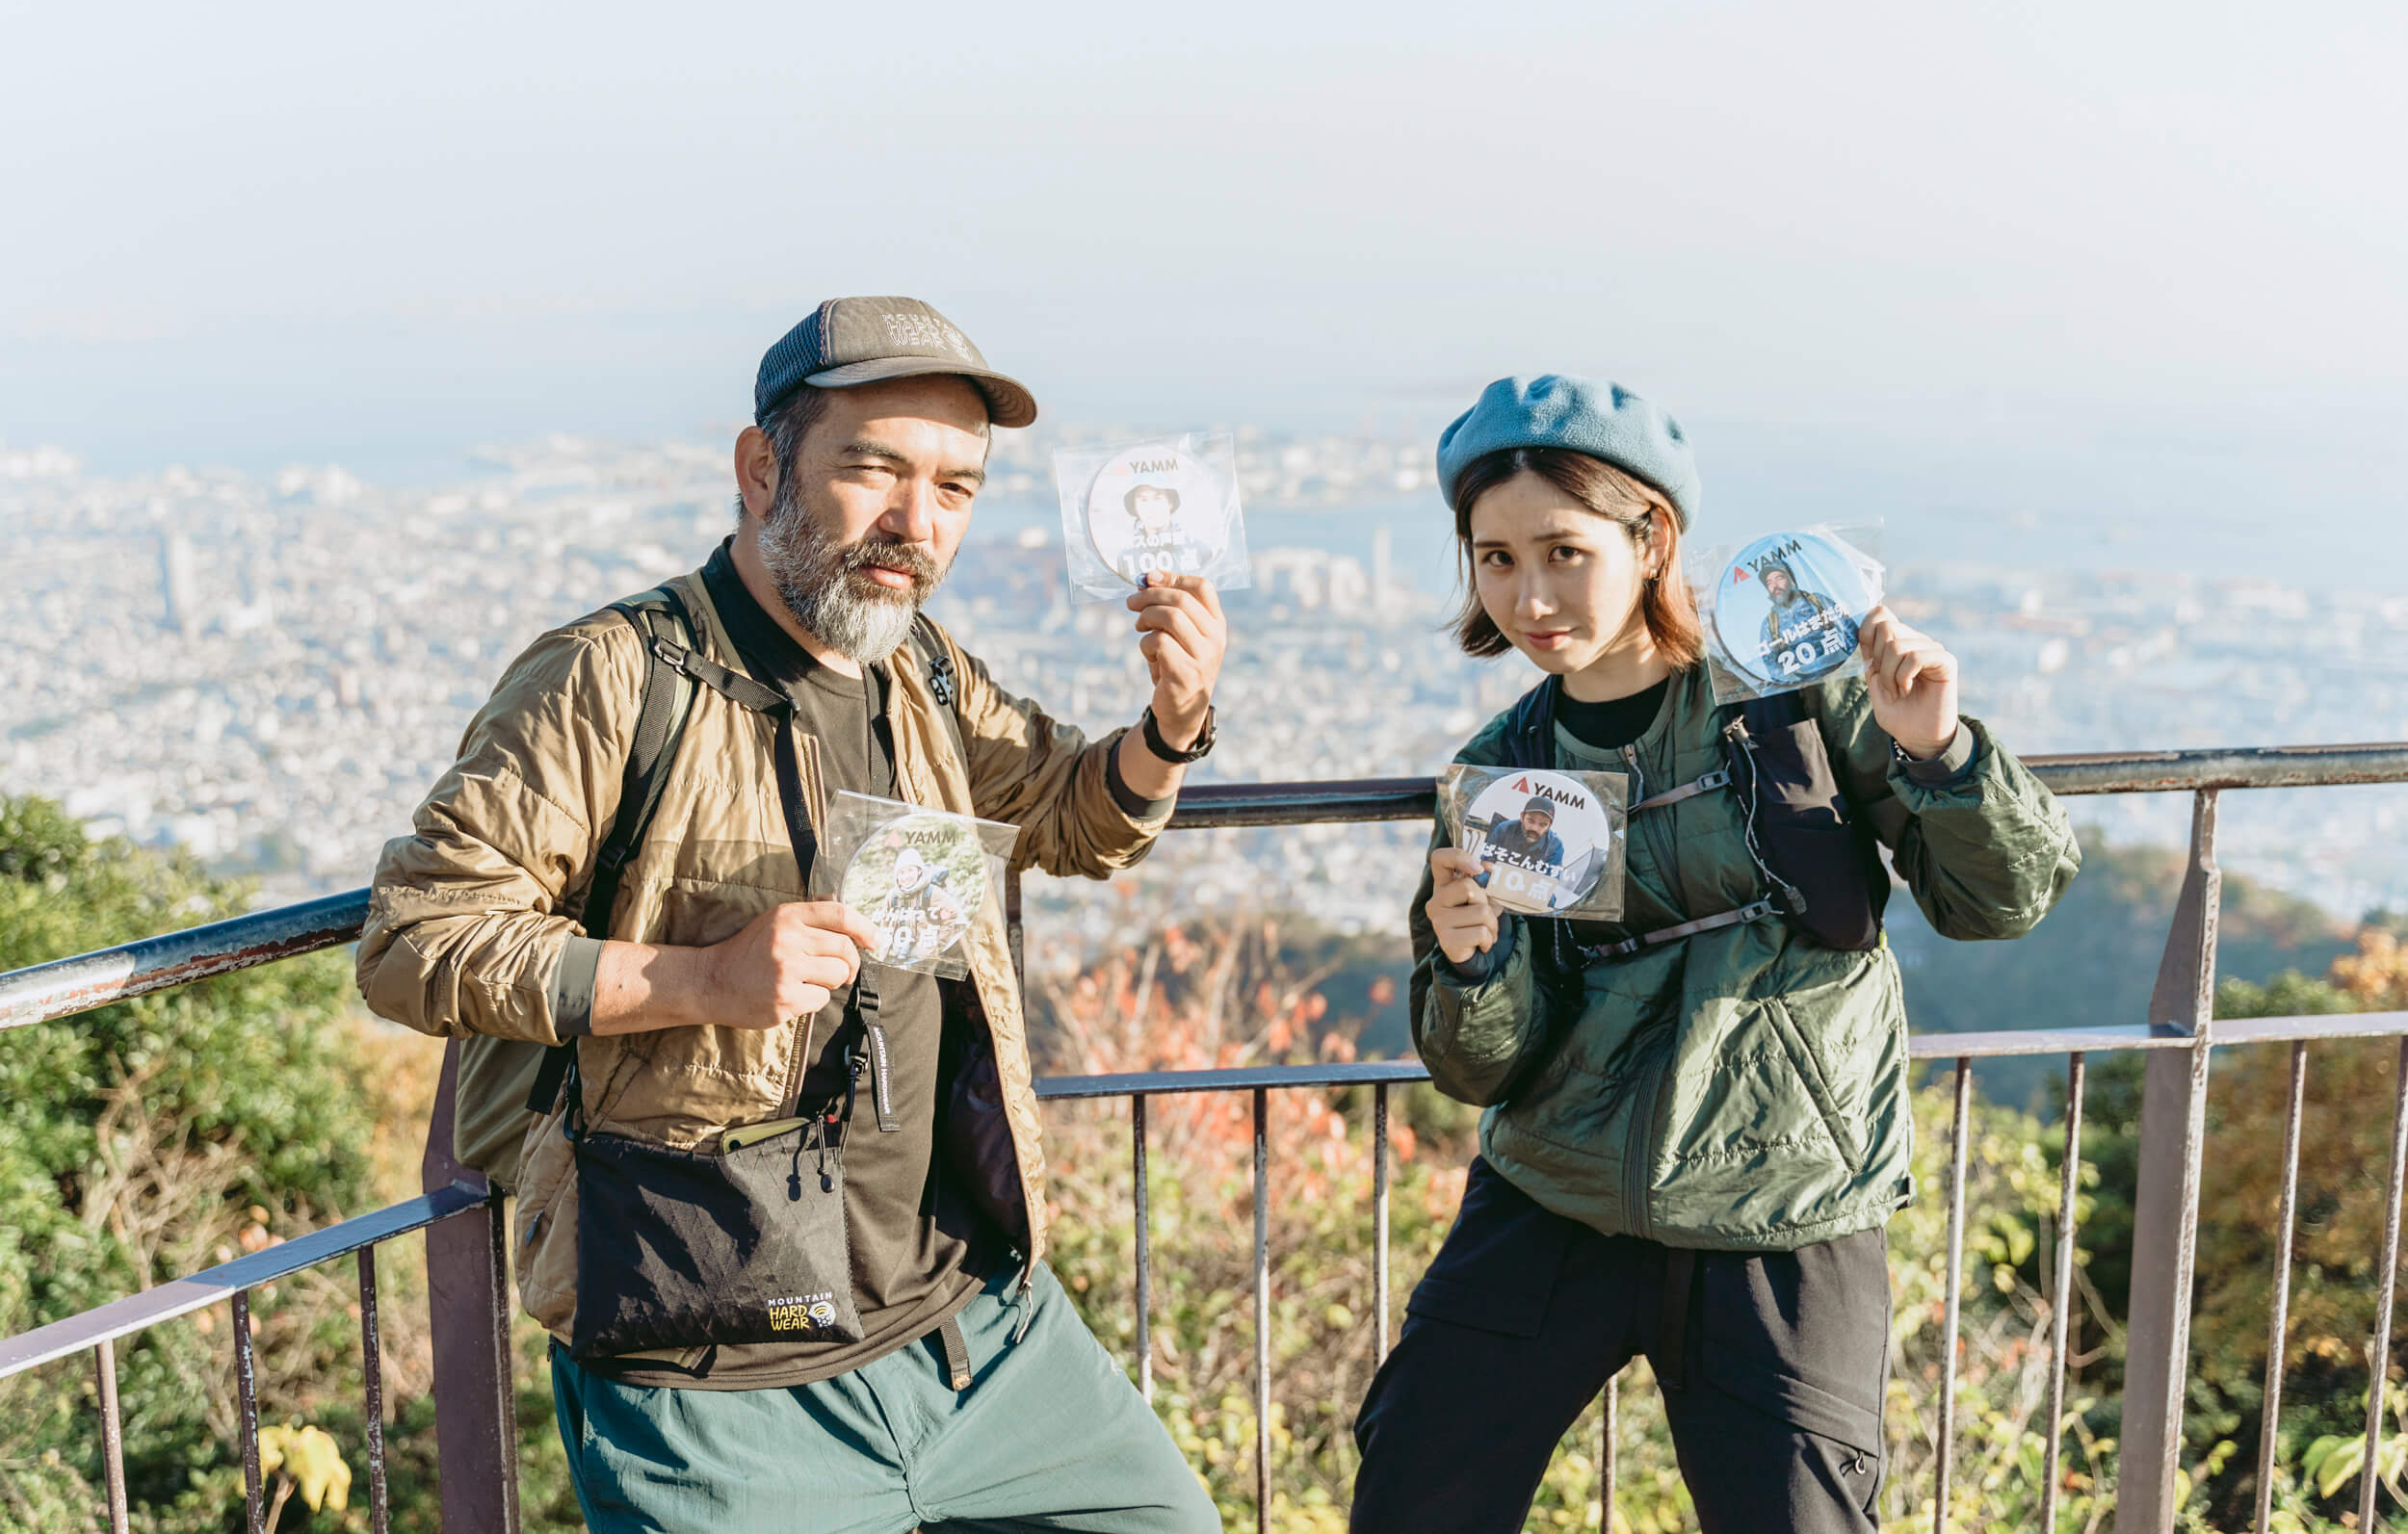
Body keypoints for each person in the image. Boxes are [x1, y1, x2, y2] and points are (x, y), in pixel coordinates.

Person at [357, 296, 1226, 1534]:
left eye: (955, 487)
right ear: (760, 464)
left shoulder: (916, 665)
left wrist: (1170, 726)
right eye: (873, 468)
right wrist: (697, 982)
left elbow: (1063, 812)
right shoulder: (613, 677)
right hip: (710, 1352)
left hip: (969, 1323)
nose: (915, 523)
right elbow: (413, 940)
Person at [1349, 374, 2081, 1534]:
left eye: (1563, 550)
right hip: (1558, 1192)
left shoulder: (1792, 699)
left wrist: (1938, 748)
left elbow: (2003, 899)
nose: (1529, 594)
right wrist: (1468, 963)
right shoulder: (1506, 767)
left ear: (1652, 540)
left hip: (1781, 1199)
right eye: (1494, 558)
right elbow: (1479, 1065)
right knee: (1413, 1479)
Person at [1757, 554, 1857, 681]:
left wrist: (1849, 665)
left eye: (1779, 578)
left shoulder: (1817, 601)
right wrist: (1795, 684)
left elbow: (1849, 630)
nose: (1775, 585)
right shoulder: (1769, 624)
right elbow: (1771, 664)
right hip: (1803, 688)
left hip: (1842, 674)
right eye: (1769, 582)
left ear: (1791, 579)